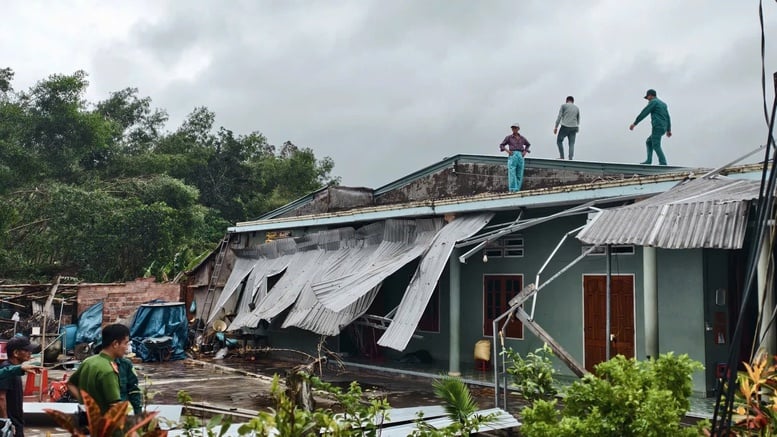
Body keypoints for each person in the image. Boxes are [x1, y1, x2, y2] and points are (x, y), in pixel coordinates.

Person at [67, 324, 130, 415]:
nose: (127, 348)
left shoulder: (88, 362)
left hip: (84, 418)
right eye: (125, 343)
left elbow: (70, 384)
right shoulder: (108, 371)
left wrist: (83, 402)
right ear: (115, 344)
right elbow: (115, 406)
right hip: (101, 422)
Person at [0, 337, 41, 437]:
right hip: (11, 422)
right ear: (16, 353)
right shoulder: (6, 367)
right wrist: (6, 422)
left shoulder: (14, 370)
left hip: (16, 420)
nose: (30, 353)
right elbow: (1, 397)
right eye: (26, 350)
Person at [629, 88, 672, 165]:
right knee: (649, 142)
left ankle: (663, 163)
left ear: (650, 96)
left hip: (657, 126)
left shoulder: (653, 102)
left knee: (656, 144)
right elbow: (668, 117)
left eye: (647, 97)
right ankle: (649, 160)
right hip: (663, 127)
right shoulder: (663, 104)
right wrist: (668, 130)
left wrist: (635, 123)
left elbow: (644, 112)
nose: (647, 100)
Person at [499, 123, 531, 192]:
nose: (514, 129)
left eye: (515, 128)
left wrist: (525, 152)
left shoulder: (522, 138)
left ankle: (517, 189)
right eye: (513, 128)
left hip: (520, 155)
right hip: (513, 154)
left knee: (519, 172)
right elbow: (501, 145)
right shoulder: (509, 137)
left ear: (518, 129)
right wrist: (508, 151)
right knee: (512, 172)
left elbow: (528, 144)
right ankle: (513, 189)